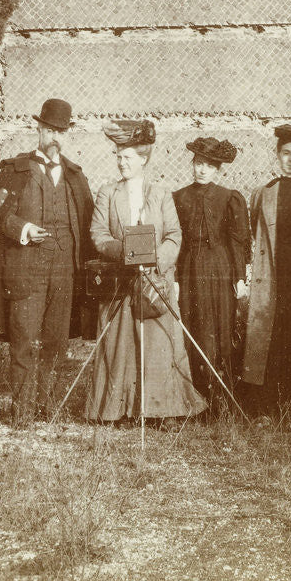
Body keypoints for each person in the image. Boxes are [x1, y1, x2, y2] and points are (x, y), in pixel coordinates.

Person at [85, 119, 207, 423]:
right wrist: (126, 252)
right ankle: (116, 409)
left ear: (143, 159)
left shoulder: (161, 194)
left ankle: (164, 410)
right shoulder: (107, 193)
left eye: (127, 157)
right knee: (119, 344)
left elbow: (174, 235)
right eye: (118, 156)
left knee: (159, 344)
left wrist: (156, 259)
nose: (121, 163)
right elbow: (98, 234)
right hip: (121, 282)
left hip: (155, 282)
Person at [0, 98, 94, 425]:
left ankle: (48, 407)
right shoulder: (15, 170)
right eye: (49, 130)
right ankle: (21, 412)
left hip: (64, 271)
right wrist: (23, 228)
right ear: (38, 128)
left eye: (60, 131)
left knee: (56, 342)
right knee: (23, 340)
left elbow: (90, 223)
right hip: (26, 269)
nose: (54, 137)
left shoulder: (76, 176)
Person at [241, 120, 291, 419]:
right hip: (272, 277)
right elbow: (255, 231)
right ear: (277, 154)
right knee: (268, 340)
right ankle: (266, 407)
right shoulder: (264, 192)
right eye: (286, 153)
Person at [172, 137, 250, 409]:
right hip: (189, 269)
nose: (202, 170)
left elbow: (237, 242)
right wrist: (175, 278)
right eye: (198, 163)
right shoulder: (179, 197)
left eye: (208, 165)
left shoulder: (229, 198)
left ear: (217, 169)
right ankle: (195, 394)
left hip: (219, 268)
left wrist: (239, 277)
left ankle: (222, 395)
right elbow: (176, 241)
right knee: (192, 323)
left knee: (220, 325)